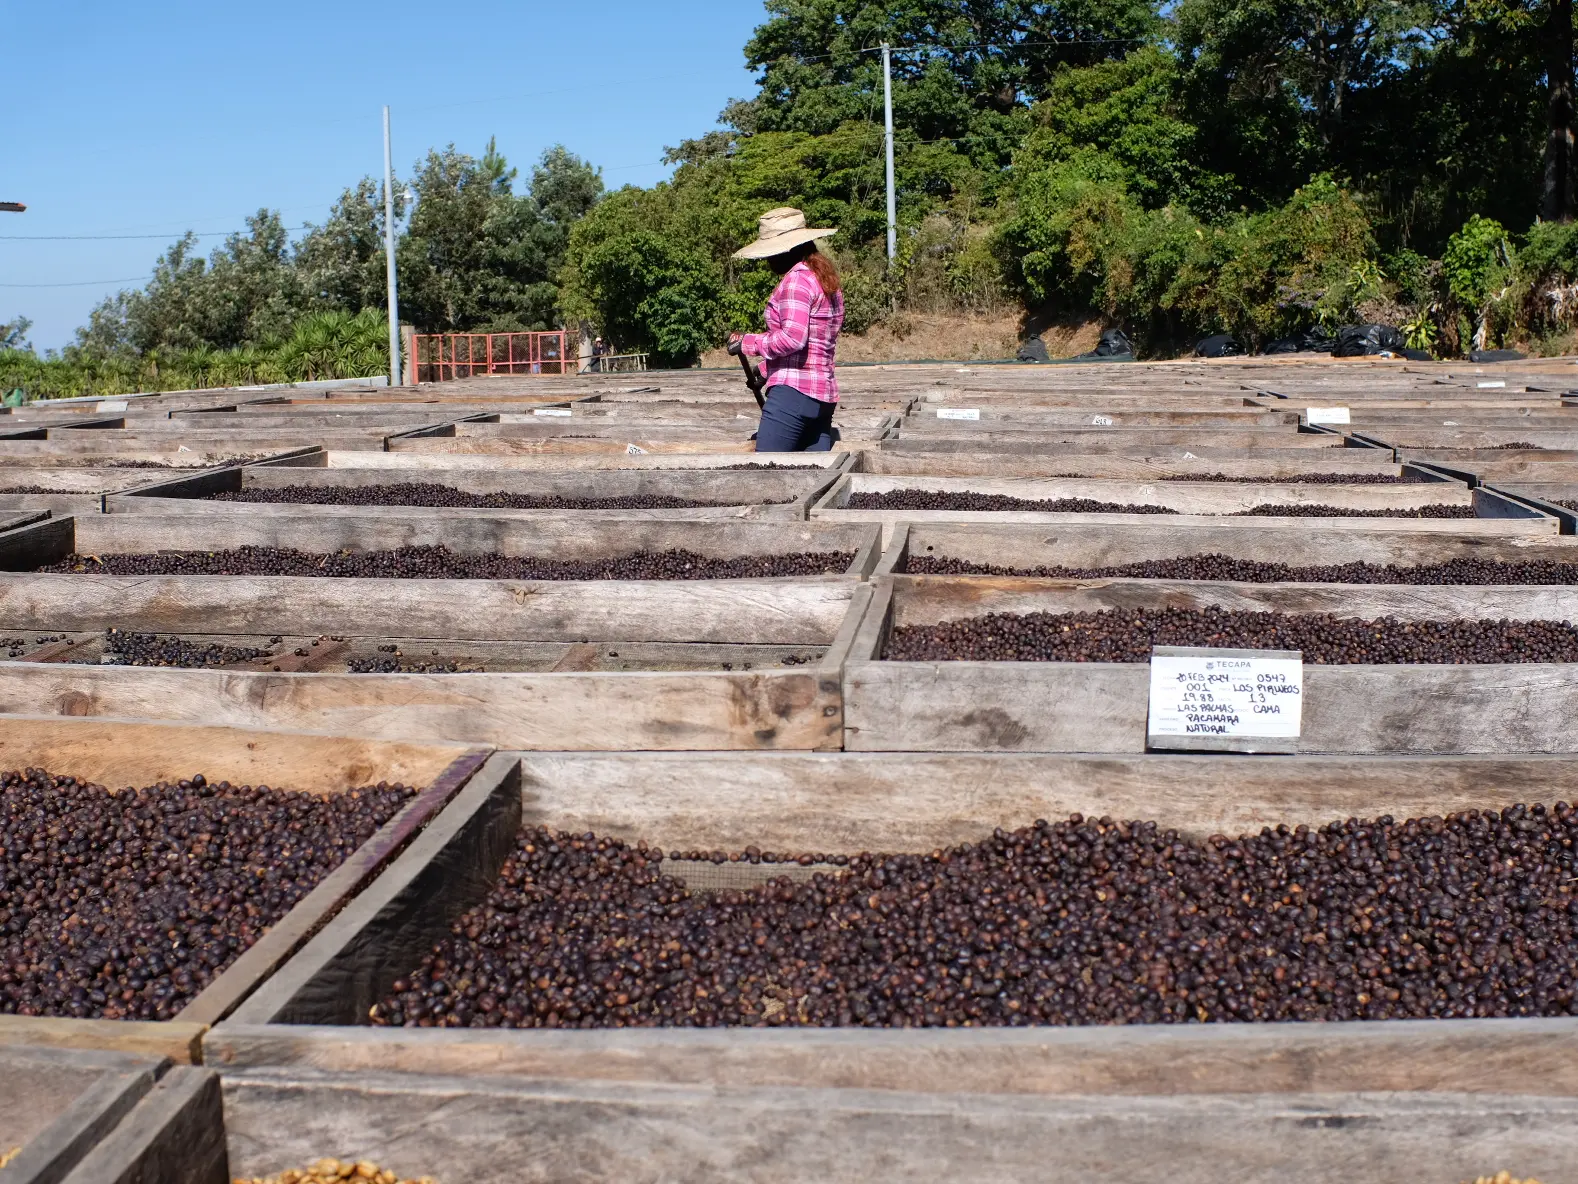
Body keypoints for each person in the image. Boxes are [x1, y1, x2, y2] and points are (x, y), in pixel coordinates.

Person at [727, 207, 845, 452]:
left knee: (768, 468)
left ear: (788, 249)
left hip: (793, 395)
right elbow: (813, 346)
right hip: (823, 395)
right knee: (812, 471)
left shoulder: (796, 280)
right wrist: (766, 369)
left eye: (771, 253)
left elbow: (793, 338)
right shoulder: (823, 279)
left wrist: (747, 342)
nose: (767, 260)